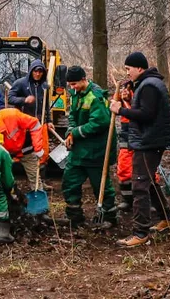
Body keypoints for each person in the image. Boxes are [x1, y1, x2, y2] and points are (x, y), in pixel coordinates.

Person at [110, 52, 170, 248]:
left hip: (149, 141)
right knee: (148, 181)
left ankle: (140, 232)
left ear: (139, 68)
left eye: (128, 69)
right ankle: (168, 218)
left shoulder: (149, 85)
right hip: (149, 139)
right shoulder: (147, 83)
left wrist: (120, 110)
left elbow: (146, 114)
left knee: (139, 184)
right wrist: (128, 99)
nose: (127, 73)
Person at [59, 66, 117, 229]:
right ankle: (74, 217)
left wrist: (76, 132)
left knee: (101, 185)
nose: (72, 87)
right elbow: (72, 116)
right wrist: (70, 132)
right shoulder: (75, 95)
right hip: (78, 151)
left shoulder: (95, 96)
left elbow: (100, 122)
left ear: (84, 79)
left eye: (75, 84)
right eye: (70, 84)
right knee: (69, 182)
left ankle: (109, 216)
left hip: (96, 150)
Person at [0, 108, 46, 193]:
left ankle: (38, 194)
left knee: (34, 174)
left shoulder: (13, 115)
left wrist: (38, 147)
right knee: (0, 175)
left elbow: (35, 124)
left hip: (24, 147)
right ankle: (3, 194)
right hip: (4, 152)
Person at [8, 60, 50, 126]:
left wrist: (49, 121)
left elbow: (47, 105)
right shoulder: (20, 83)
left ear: (43, 73)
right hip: (23, 123)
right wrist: (24, 100)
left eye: (40, 72)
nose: (38, 74)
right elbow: (10, 98)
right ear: (31, 71)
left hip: (39, 123)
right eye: (35, 71)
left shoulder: (44, 86)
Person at [114, 80, 135, 211]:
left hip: (142, 134)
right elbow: (113, 108)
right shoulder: (122, 94)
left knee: (147, 170)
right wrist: (117, 97)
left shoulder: (143, 89)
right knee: (124, 169)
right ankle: (128, 200)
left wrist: (130, 99)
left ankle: (149, 200)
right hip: (126, 134)